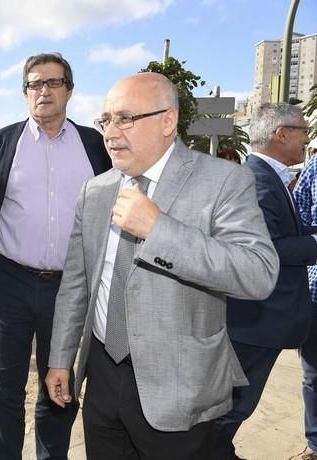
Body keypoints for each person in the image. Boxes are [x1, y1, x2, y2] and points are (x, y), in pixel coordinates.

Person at [45, 72, 279, 460]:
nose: (110, 132)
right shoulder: (97, 189)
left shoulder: (223, 181)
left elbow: (258, 273)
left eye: (125, 118)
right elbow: (77, 284)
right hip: (101, 378)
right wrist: (59, 359)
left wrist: (159, 230)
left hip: (179, 389)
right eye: (106, 120)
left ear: (167, 121)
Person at [0, 52, 111, 460]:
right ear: (25, 92)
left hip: (71, 287)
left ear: (69, 89)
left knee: (60, 386)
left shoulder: (94, 146)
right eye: (34, 84)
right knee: (3, 387)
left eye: (53, 82)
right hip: (8, 282)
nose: (43, 91)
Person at [211, 103, 316, 460]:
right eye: (302, 131)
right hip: (257, 321)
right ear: (281, 134)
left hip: (261, 320)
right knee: (234, 406)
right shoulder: (256, 179)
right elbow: (268, 247)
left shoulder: (269, 176)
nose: (307, 139)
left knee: (235, 406)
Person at [286, 122, 317, 460]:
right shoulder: (314, 169)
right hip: (316, 292)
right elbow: (297, 219)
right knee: (314, 376)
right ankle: (316, 446)